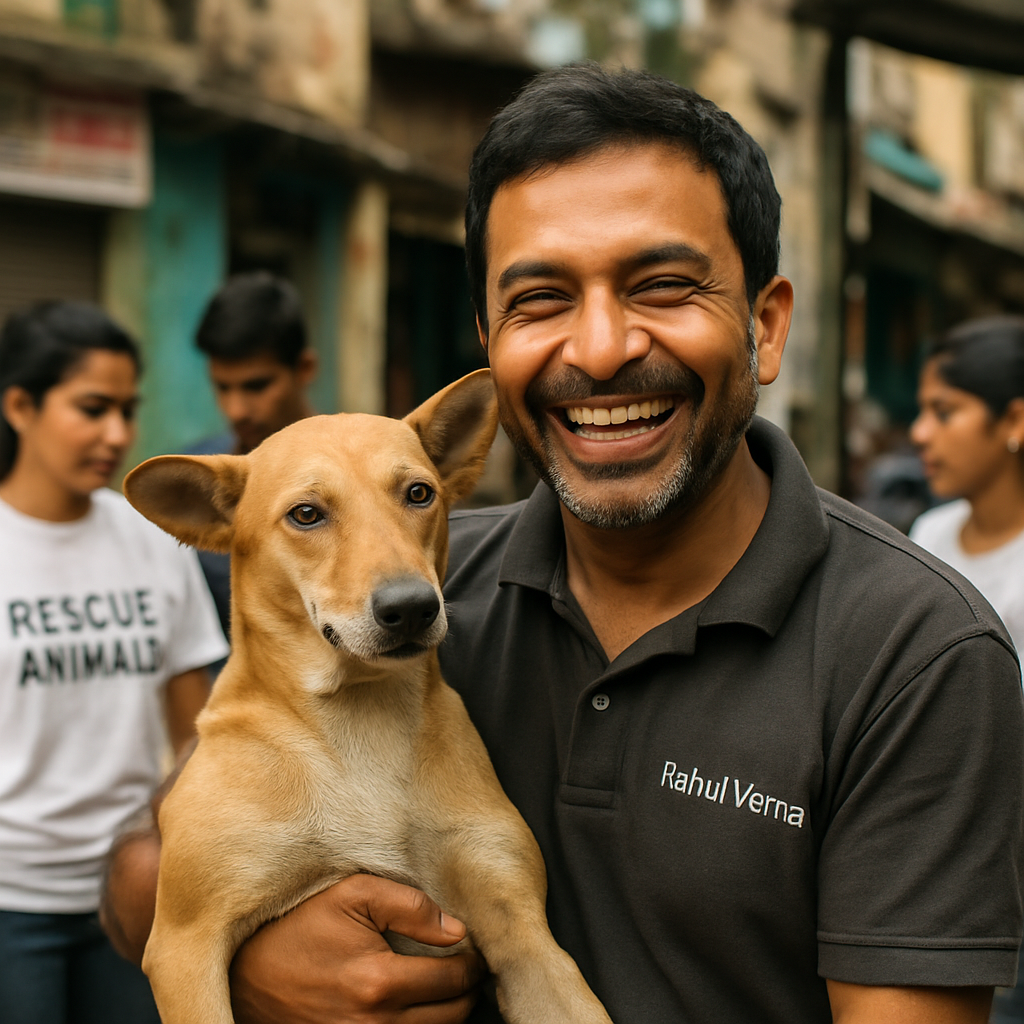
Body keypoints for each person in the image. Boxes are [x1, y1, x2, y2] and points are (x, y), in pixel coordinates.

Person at [102, 65, 1024, 1024]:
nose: (599, 347)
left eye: (661, 285)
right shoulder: (421, 597)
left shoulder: (916, 651)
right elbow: (146, 873)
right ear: (493, 344)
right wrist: (254, 958)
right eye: (539, 299)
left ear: (765, 324)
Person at [0, 301, 229, 1024]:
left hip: (138, 900)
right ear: (19, 405)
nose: (118, 434)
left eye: (128, 411)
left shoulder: (151, 539)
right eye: (92, 408)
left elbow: (197, 733)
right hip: (12, 904)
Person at [908, 316, 1024, 1024]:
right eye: (922, 410)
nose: (920, 433)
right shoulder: (930, 536)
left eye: (945, 412)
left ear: (1014, 419)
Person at [188, 271, 317, 641]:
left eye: (256, 386)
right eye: (222, 387)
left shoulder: (365, 468)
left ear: (304, 369)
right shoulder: (199, 478)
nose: (236, 409)